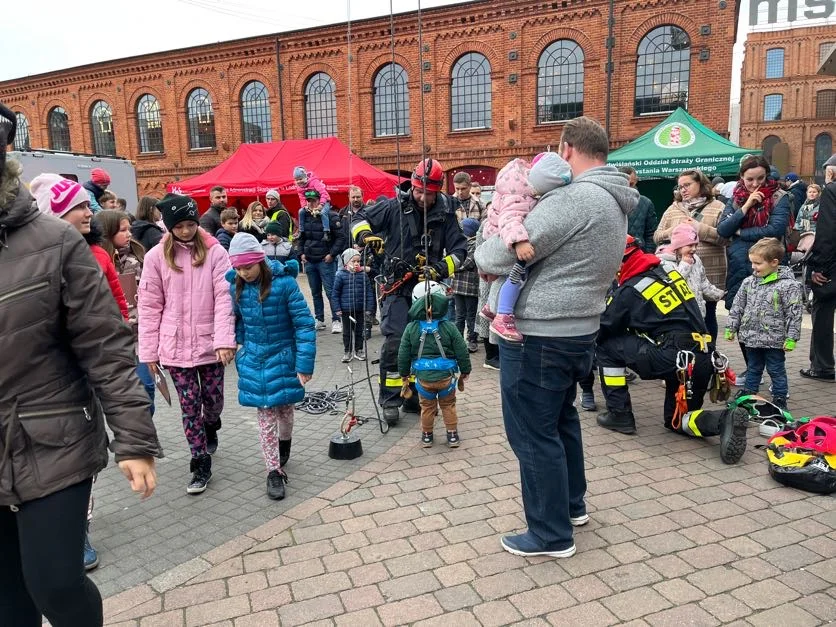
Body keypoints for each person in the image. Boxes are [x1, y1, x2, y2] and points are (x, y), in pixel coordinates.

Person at [0, 107, 160, 626]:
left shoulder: (54, 241)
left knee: (56, 585)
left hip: (51, 436)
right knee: (8, 600)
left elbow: (106, 348)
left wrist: (134, 439)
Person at [474, 116, 637, 558]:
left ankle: (550, 534)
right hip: (578, 330)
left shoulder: (573, 199)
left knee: (531, 433)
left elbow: (489, 254)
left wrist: (492, 228)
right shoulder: (612, 197)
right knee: (560, 421)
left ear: (566, 149)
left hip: (539, 335)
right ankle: (571, 506)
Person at [595, 237, 749, 461]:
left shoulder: (630, 289)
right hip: (703, 358)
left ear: (619, 262)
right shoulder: (670, 273)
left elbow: (605, 327)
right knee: (677, 421)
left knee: (607, 347)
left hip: (672, 356)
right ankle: (723, 421)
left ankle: (620, 415)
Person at [351, 158, 467, 425]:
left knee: (425, 343)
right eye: (418, 190)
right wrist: (366, 236)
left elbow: (460, 251)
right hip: (397, 285)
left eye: (428, 193)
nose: (421, 197)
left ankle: (415, 395)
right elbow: (359, 218)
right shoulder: (393, 207)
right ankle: (391, 399)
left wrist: (439, 268)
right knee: (396, 342)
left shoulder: (446, 212)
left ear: (437, 190)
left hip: (427, 288)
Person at [138, 193, 236, 494]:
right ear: (169, 226)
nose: (185, 231)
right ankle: (199, 461)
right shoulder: (156, 257)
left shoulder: (215, 253)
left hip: (209, 343)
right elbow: (150, 305)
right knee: (189, 405)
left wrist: (224, 340)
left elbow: (225, 297)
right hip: (174, 346)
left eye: (190, 224)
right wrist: (149, 351)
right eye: (178, 226)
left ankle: (211, 424)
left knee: (213, 401)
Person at [226, 233, 316, 500]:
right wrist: (237, 347)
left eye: (248, 266)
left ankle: (284, 444)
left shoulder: (286, 284)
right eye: (238, 268)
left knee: (285, 410)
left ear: (260, 261)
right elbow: (236, 320)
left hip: (284, 356)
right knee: (265, 417)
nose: (243, 272)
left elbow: (303, 323)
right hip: (254, 359)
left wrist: (304, 363)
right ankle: (273, 471)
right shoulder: (236, 287)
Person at [479, 152, 573, 342]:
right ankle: (503, 315)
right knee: (519, 273)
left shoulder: (518, 182)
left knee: (505, 275)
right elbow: (510, 218)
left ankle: (491, 306)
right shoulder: (520, 194)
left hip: (497, 232)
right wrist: (520, 241)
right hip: (504, 234)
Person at [717, 155, 791, 376]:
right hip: (740, 266)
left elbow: (775, 230)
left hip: (770, 267)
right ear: (741, 177)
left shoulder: (779, 197)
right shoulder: (737, 199)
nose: (755, 184)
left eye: (760, 178)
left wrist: (740, 232)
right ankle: (752, 369)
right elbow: (722, 229)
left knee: (770, 321)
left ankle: (774, 373)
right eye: (750, 179)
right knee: (742, 319)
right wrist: (747, 205)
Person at [725, 238, 802, 409]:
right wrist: (731, 326)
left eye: (758, 263)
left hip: (774, 341)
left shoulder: (788, 286)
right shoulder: (749, 282)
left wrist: (791, 338)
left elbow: (794, 313)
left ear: (774, 262)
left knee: (776, 370)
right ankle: (749, 395)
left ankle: (780, 398)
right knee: (753, 368)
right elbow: (738, 306)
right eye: (751, 262)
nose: (753, 267)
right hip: (751, 338)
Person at [654, 169, 728, 341]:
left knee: (708, 314)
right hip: (678, 271)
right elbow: (657, 236)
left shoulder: (718, 207)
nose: (683, 190)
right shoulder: (673, 208)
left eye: (687, 185)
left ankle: (710, 353)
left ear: (701, 184)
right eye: (680, 187)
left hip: (710, 270)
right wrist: (674, 231)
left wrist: (699, 229)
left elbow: (726, 238)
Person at [398, 282, 472, 448]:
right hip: (446, 377)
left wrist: (404, 374)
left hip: (423, 379)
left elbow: (403, 353)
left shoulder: (411, 328)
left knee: (427, 407)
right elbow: (461, 350)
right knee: (448, 405)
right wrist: (465, 370)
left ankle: (427, 436)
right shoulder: (450, 327)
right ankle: (452, 435)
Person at [801, 153, 836, 382]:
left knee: (822, 314)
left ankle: (822, 366)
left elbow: (828, 232)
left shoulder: (832, 190)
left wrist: (819, 268)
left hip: (832, 265)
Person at [296, 189, 345, 333]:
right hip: (310, 259)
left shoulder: (330, 215)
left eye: (313, 200)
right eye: (308, 201)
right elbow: (301, 236)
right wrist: (301, 253)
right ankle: (319, 319)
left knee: (331, 291)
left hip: (326, 260)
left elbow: (340, 237)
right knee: (315, 292)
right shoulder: (304, 215)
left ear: (319, 200)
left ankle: (337, 319)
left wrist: (332, 254)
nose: (311, 203)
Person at [656, 224, 725, 318]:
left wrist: (718, 294)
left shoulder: (695, 259)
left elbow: (703, 283)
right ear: (678, 246)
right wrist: (685, 265)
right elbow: (673, 285)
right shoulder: (664, 262)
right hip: (680, 316)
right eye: (690, 245)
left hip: (698, 313)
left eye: (696, 245)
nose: (694, 249)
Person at [333, 248, 376, 362]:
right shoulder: (340, 275)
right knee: (347, 332)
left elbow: (369, 293)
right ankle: (347, 351)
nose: (357, 264)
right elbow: (335, 293)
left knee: (359, 331)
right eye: (354, 261)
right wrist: (337, 308)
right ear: (347, 262)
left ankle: (359, 350)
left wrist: (369, 308)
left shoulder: (363, 275)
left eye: (359, 261)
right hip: (346, 310)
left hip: (360, 309)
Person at [451, 218, 480, 352]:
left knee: (471, 315)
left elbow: (468, 263)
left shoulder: (475, 244)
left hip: (470, 287)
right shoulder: (459, 243)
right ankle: (457, 341)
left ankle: (472, 341)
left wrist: (450, 267)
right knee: (459, 315)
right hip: (458, 286)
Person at [619, 166, 659, 253]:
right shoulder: (610, 201)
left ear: (636, 181)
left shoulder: (646, 203)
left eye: (632, 184)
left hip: (639, 255)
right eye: (626, 184)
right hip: (615, 255)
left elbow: (651, 234)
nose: (629, 188)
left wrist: (648, 256)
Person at [294, 166, 331, 235]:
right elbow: (302, 198)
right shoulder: (299, 187)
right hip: (311, 203)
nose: (299, 181)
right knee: (301, 211)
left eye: (300, 179)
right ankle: (301, 230)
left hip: (324, 201)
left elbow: (324, 194)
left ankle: (326, 231)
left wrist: (321, 205)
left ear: (305, 177)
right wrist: (304, 206)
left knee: (323, 213)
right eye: (296, 180)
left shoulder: (314, 182)